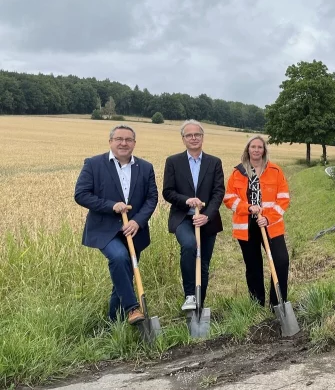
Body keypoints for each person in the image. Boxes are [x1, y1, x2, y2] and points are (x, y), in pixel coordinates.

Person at [74, 124, 158, 325]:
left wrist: (137, 221)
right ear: (110, 141)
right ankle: (132, 308)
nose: (123, 143)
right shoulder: (94, 164)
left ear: (134, 143)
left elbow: (151, 198)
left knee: (123, 276)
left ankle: (113, 325)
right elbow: (81, 194)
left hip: (134, 230)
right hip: (105, 229)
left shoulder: (145, 167)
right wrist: (111, 206)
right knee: (119, 258)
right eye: (119, 139)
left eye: (128, 139)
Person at [162, 120, 225, 311]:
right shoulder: (173, 162)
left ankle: (199, 305)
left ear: (202, 137)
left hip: (207, 220)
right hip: (183, 217)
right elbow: (168, 191)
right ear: (183, 139)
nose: (193, 138)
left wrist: (207, 216)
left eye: (197, 134)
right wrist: (186, 200)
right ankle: (190, 295)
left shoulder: (214, 162)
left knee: (203, 263)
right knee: (190, 245)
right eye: (189, 135)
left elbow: (218, 192)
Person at [223, 135, 291, 308]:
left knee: (281, 261)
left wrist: (268, 218)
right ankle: (257, 304)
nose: (256, 150)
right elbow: (229, 198)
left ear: (264, 150)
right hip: (246, 226)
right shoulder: (238, 172)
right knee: (253, 266)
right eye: (253, 147)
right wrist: (248, 207)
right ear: (248, 149)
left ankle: (278, 303)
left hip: (270, 224)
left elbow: (283, 198)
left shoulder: (275, 171)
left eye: (260, 147)